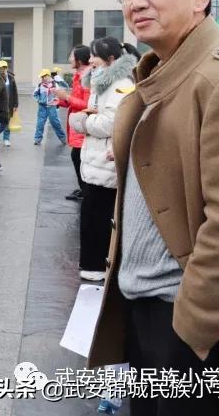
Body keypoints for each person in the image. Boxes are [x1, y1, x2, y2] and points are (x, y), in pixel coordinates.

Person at [89, 0, 219, 416]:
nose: (137, 1)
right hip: (145, 313)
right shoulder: (159, 74)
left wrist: (190, 330)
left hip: (185, 328)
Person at [70, 38, 138, 283]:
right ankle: (94, 265)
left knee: (98, 218)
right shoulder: (103, 82)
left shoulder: (119, 84)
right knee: (92, 216)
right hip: (97, 160)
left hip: (106, 163)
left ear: (110, 60)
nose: (90, 60)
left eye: (95, 56)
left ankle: (98, 266)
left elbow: (113, 121)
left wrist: (82, 122)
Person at [54, 46, 92, 201]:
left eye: (71, 56)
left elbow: (88, 105)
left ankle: (86, 191)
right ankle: (84, 190)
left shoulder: (87, 78)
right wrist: (61, 101)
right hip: (77, 125)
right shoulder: (79, 76)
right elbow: (77, 101)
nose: (69, 59)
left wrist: (67, 98)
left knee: (79, 158)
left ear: (80, 59)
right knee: (77, 158)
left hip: (83, 126)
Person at [33, 69, 67, 146]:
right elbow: (35, 94)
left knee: (56, 123)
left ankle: (63, 138)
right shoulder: (40, 85)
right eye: (41, 77)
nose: (42, 78)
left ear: (47, 76)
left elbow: (59, 94)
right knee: (40, 124)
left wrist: (56, 100)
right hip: (42, 107)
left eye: (43, 76)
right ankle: (37, 139)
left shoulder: (55, 85)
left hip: (52, 107)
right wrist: (39, 100)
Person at [0, 60, 19, 147]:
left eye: (4, 68)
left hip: (8, 104)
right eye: (0, 68)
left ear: (6, 68)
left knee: (7, 122)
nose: (2, 70)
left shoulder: (11, 78)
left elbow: (15, 92)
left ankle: (6, 138)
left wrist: (15, 105)